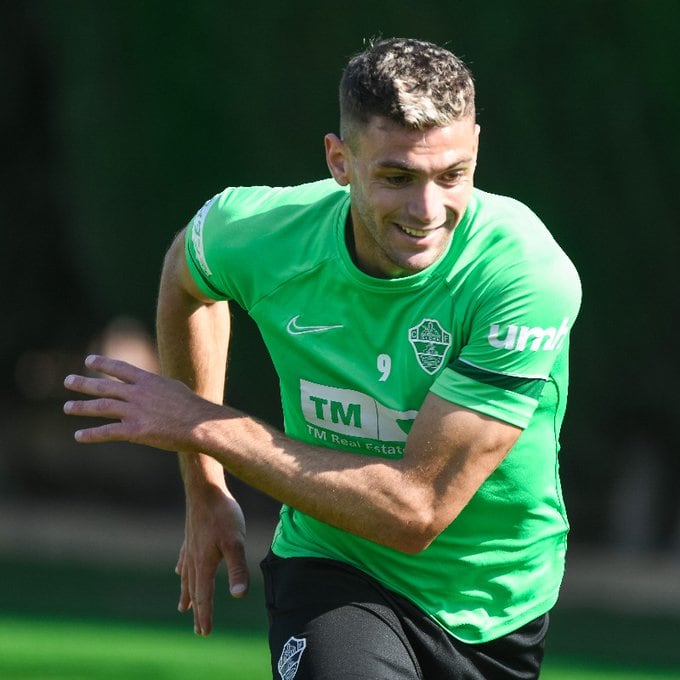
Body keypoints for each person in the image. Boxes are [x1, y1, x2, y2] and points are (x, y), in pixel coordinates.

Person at [63, 37, 581, 680]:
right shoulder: (263, 232)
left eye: (453, 175)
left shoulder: (522, 274)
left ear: (476, 147)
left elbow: (415, 511)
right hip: (333, 566)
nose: (428, 211)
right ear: (340, 161)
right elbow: (187, 275)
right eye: (397, 177)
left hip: (494, 603)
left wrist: (200, 424)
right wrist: (203, 488)